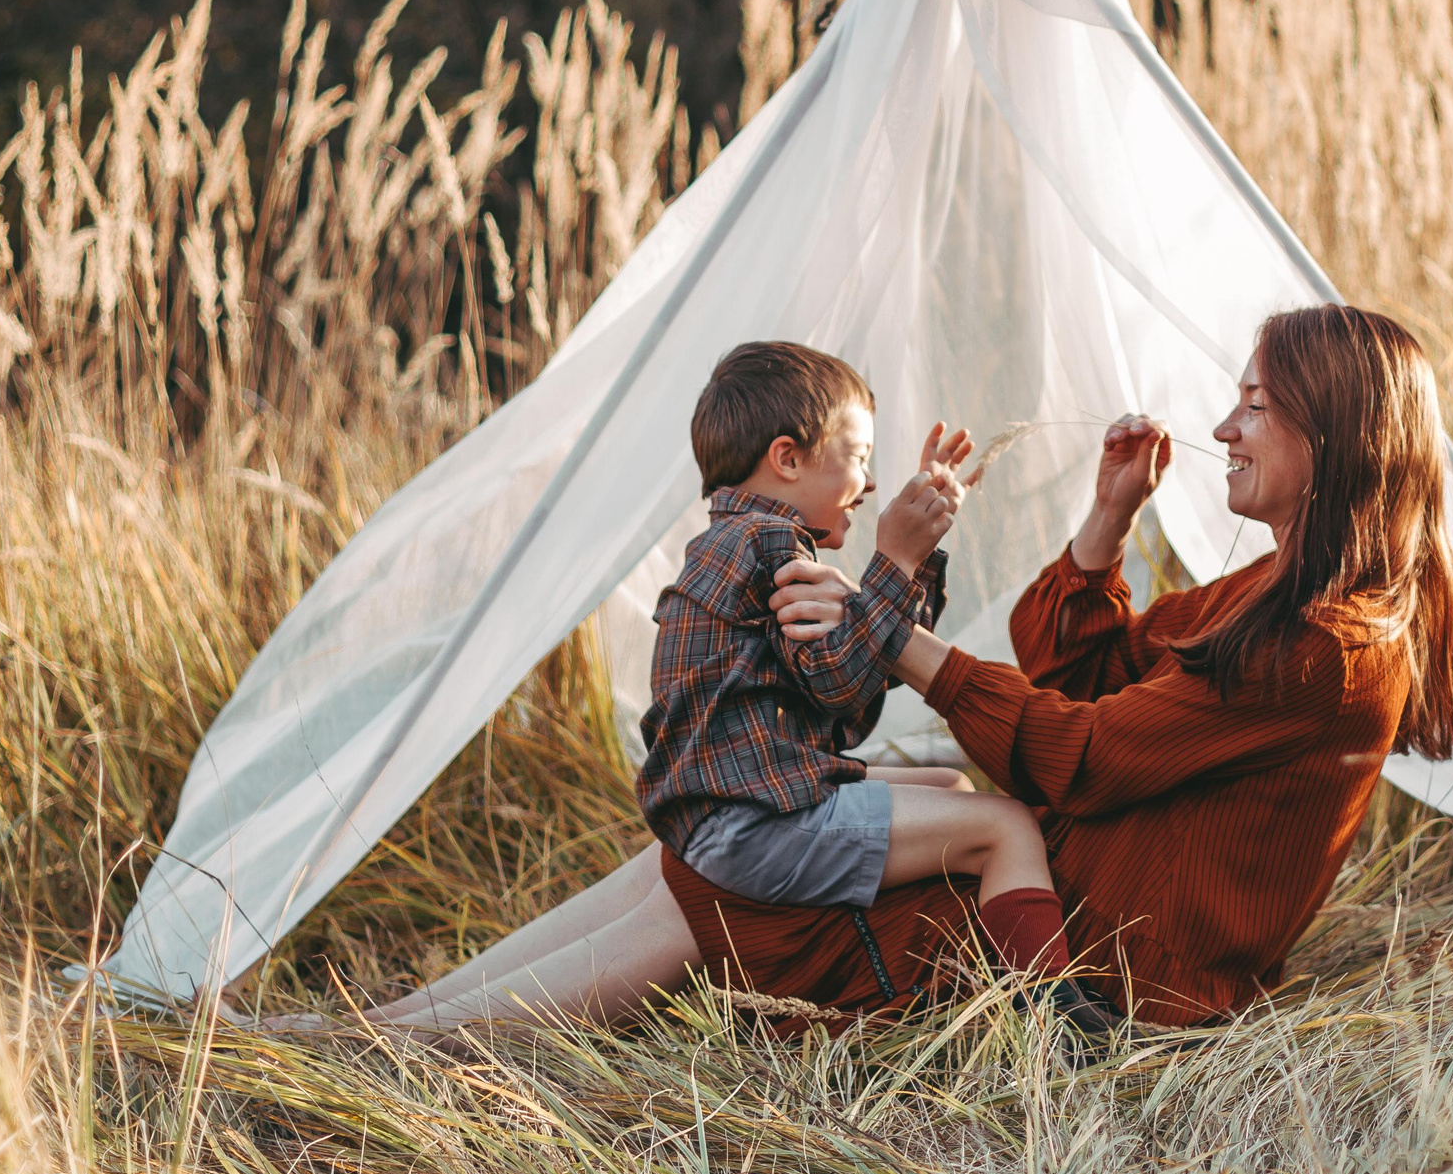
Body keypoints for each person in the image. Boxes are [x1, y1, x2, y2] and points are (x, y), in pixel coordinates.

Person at [356, 304, 1453, 1033]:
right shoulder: (1269, 596)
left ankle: (414, 1046)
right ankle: (406, 1021)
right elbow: (1081, 670)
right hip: (1063, 893)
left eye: (1258, 407)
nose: (1225, 426)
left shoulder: (1324, 644)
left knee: (719, 879)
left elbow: (1080, 756)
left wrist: (892, 632)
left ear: (1340, 434)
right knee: (702, 846)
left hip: (1112, 963)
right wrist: (1103, 524)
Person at [361, 341, 1095, 1029]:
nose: (868, 484)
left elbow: (846, 686)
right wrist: (896, 560)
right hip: (758, 824)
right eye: (858, 457)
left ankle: (932, 967)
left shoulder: (732, 538)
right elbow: (844, 688)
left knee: (947, 786)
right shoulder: (777, 547)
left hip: (726, 809)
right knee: (1007, 825)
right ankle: (1057, 1024)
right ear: (786, 458)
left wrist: (914, 563)